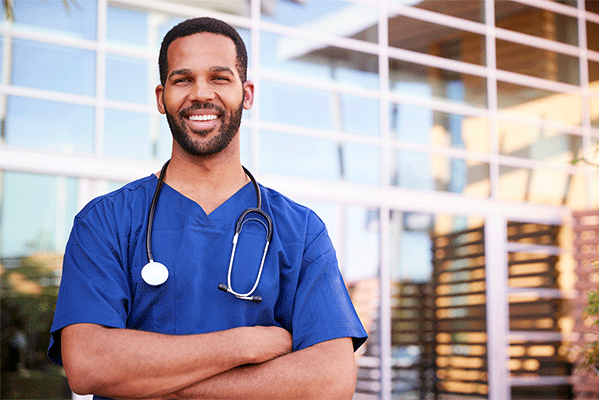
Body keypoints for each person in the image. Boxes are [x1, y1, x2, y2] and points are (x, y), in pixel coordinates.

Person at [48, 16, 367, 400]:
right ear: (160, 97)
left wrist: (152, 382)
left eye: (219, 77)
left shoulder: (300, 230)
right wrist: (243, 345)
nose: (201, 93)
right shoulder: (104, 222)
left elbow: (330, 381)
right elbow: (88, 364)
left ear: (246, 94)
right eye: (183, 79)